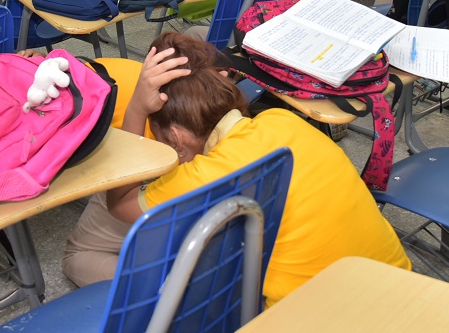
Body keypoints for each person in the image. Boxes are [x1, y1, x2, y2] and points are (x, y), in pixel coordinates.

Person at [62, 33, 411, 307]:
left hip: (308, 327)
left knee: (78, 257)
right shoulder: (282, 119)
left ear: (178, 138)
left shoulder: (204, 176)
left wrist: (138, 107)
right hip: (395, 285)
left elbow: (119, 203)